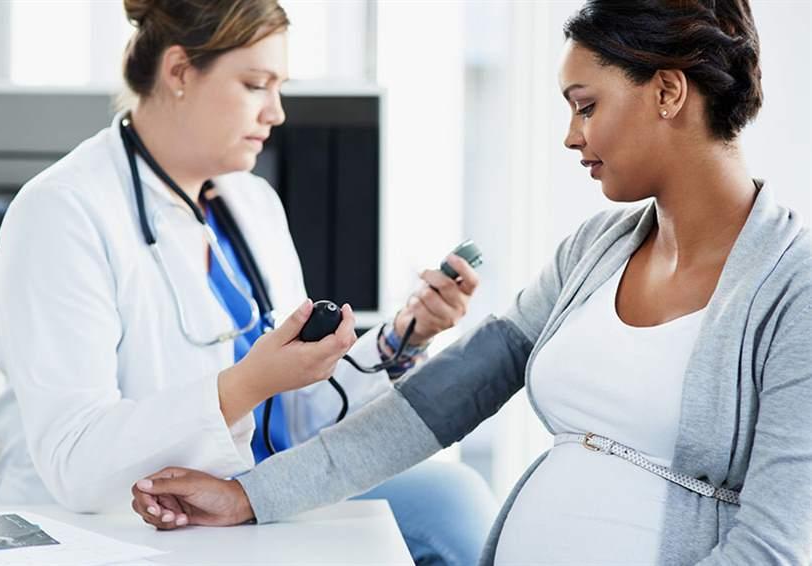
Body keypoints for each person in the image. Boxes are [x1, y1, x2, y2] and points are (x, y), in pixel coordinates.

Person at [130, 0, 812, 564]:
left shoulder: (794, 286)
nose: (572, 137)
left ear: (668, 92)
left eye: (585, 105)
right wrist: (252, 495)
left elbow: (774, 545)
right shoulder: (594, 252)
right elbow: (435, 404)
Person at [0, 1, 497, 564]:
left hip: (247, 496)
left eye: (280, 88)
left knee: (452, 495)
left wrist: (403, 336)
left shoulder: (251, 205)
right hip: (106, 525)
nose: (276, 113)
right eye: (256, 85)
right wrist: (244, 385)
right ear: (178, 72)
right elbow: (77, 465)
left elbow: (292, 417)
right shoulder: (62, 213)